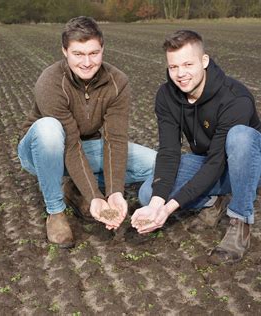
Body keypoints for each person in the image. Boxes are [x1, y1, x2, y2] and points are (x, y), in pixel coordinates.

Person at [131, 30, 261, 264]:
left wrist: (168, 211)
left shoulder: (234, 97)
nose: (180, 74)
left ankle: (240, 222)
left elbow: (218, 162)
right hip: (209, 160)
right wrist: (158, 204)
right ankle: (213, 200)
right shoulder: (166, 96)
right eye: (173, 67)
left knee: (239, 137)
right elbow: (169, 152)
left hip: (253, 162)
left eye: (188, 64)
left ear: (204, 61)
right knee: (148, 195)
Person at [18, 16, 156, 248]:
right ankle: (55, 211)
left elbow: (115, 140)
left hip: (86, 148)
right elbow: (71, 144)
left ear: (103, 49)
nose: (87, 62)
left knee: (154, 162)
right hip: (42, 152)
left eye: (93, 53)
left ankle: (73, 188)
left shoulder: (117, 82)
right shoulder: (50, 82)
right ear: (65, 51)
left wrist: (113, 193)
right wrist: (94, 197)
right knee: (49, 129)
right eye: (78, 54)